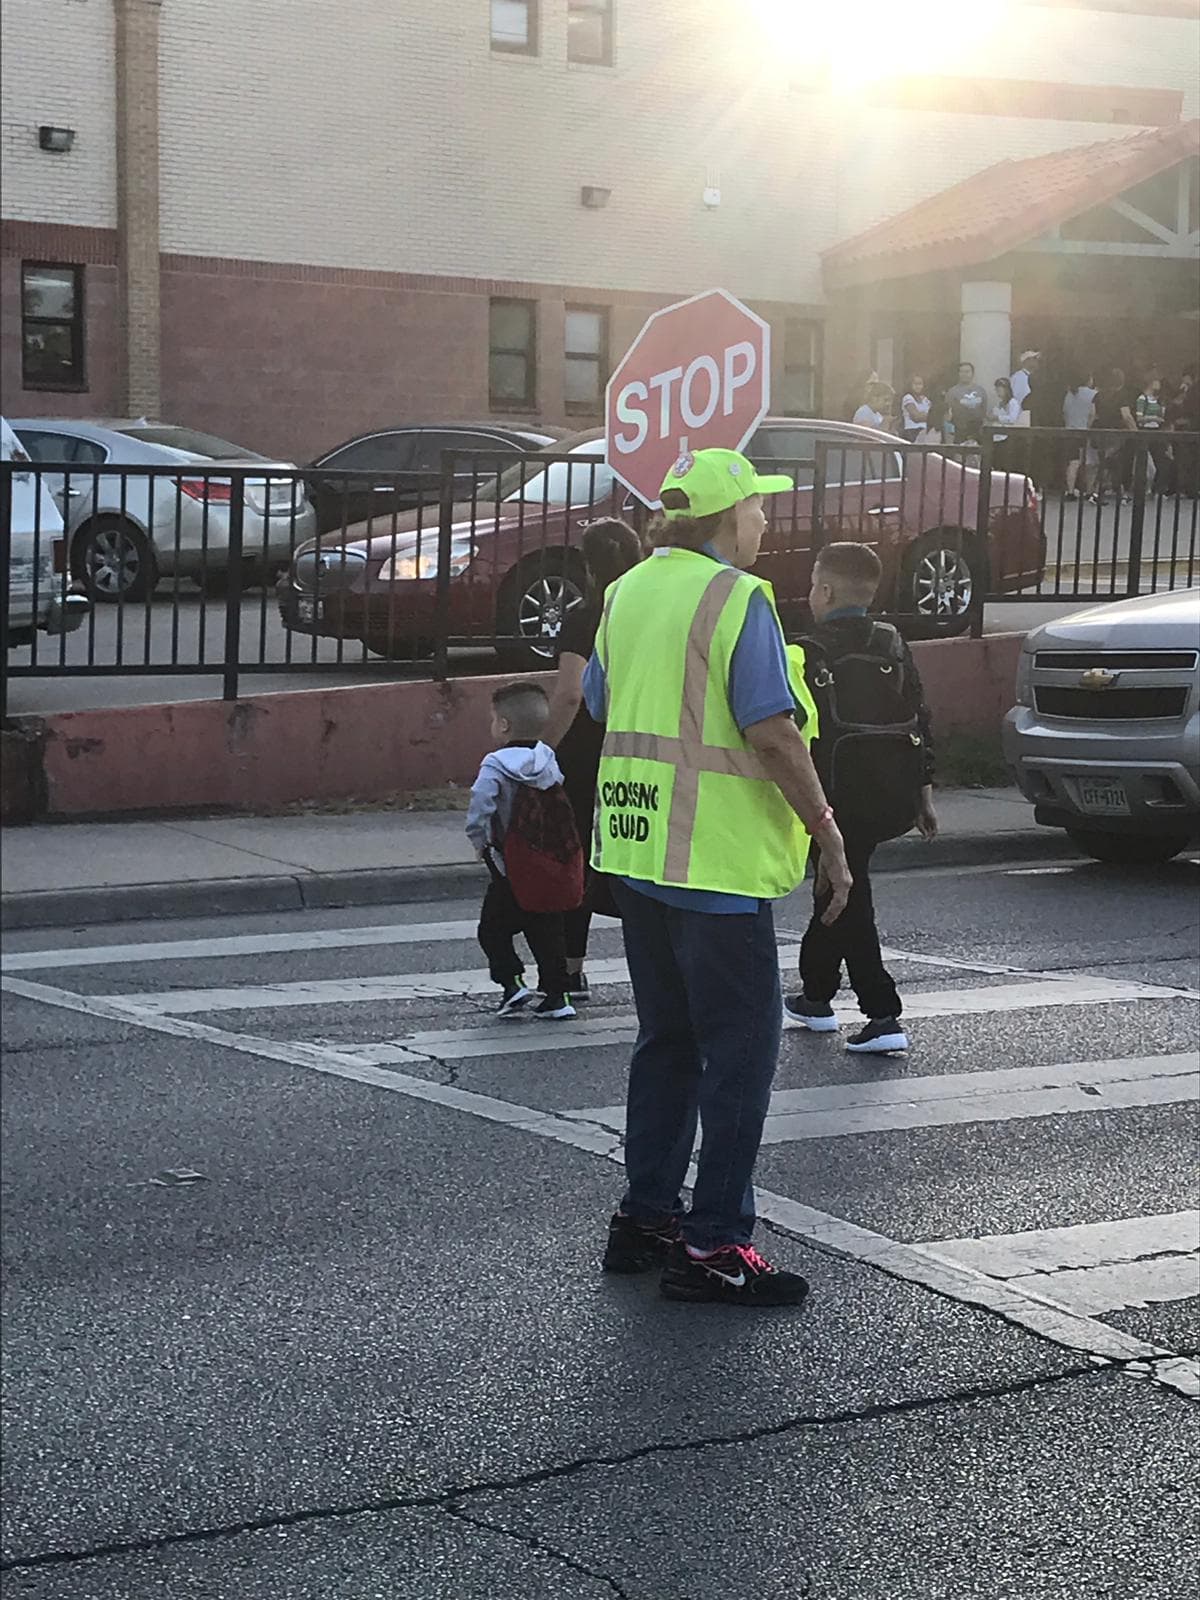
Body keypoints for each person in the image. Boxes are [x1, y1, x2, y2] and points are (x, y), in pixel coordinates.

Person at [584, 446, 851, 1307]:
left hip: (636, 852)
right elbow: (772, 731)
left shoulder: (626, 591)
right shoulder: (739, 598)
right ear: (727, 519)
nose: (767, 522)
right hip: (714, 864)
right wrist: (827, 830)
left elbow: (597, 702)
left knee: (665, 1040)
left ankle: (646, 1218)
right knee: (739, 1054)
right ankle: (715, 1248)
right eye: (759, 509)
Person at [785, 543, 936, 1055]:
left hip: (832, 793)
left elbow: (793, 730)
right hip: (888, 792)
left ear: (825, 591)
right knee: (839, 889)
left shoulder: (807, 648)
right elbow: (920, 715)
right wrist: (924, 793)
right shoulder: (893, 642)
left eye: (812, 584)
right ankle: (815, 994)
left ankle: (882, 1011)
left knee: (846, 894)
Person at [542, 518, 643, 1001]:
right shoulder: (650, 608)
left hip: (586, 751)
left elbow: (568, 695)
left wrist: (543, 750)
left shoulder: (585, 616)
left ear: (586, 563)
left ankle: (571, 967)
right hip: (641, 744)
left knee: (576, 854)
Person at [465, 681, 579, 1022]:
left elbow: (480, 807)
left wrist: (478, 842)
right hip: (545, 863)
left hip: (509, 867)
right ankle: (558, 996)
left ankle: (512, 983)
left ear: (503, 725)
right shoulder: (548, 760)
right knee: (547, 930)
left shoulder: (495, 764)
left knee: (492, 930)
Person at [1093, 368, 1137, 502]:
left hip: (1101, 432)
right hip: (1117, 433)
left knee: (1105, 462)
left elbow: (1093, 414)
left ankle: (1098, 492)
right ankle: (1118, 493)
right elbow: (1126, 416)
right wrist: (1135, 431)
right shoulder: (1122, 396)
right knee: (1116, 463)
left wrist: (1089, 430)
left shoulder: (1099, 395)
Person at [1062, 374, 1097, 500]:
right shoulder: (1093, 394)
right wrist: (1088, 427)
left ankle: (1070, 491)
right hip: (1084, 431)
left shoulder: (1070, 394)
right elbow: (1093, 414)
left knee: (1073, 462)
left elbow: (1064, 412)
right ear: (1088, 380)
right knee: (1090, 462)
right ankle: (1089, 491)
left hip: (1071, 431)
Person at [1135, 375, 1170, 491]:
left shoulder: (1158, 400)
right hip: (1146, 431)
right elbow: (1139, 418)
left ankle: (1158, 488)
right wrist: (1154, 418)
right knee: (1148, 464)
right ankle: (1145, 487)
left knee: (1161, 460)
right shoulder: (1142, 399)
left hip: (1157, 431)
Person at [945, 362, 989, 444]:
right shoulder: (952, 392)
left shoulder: (981, 391)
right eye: (962, 372)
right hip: (960, 431)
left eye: (967, 372)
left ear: (972, 373)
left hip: (977, 431)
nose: (964, 374)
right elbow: (947, 414)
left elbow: (984, 412)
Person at [989, 376, 1022, 468]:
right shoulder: (999, 403)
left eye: (1000, 390)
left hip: (1006, 437)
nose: (998, 392)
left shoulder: (1013, 403)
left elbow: (1012, 419)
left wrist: (997, 417)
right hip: (996, 436)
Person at [900, 376, 931, 443]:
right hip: (911, 432)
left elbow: (933, 414)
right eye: (915, 384)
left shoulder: (925, 399)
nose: (918, 386)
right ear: (910, 385)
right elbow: (916, 417)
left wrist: (923, 415)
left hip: (925, 432)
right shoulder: (907, 397)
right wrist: (929, 416)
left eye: (920, 384)